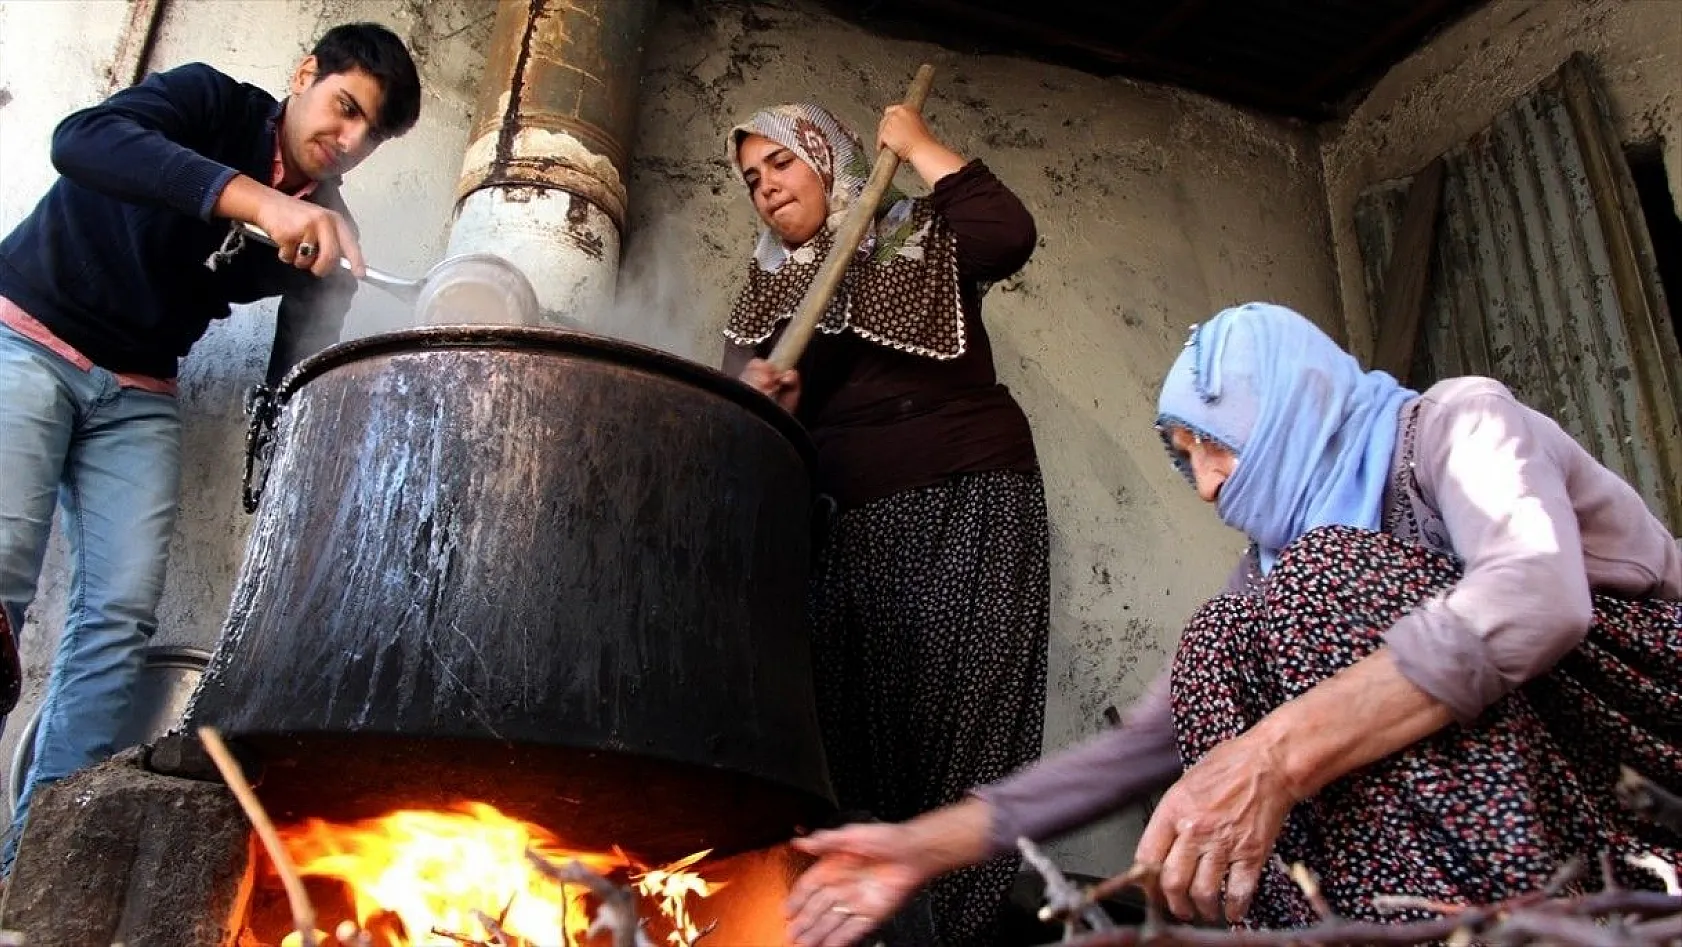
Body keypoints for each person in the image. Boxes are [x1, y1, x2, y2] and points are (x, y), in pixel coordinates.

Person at [784, 301, 1682, 946]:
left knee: (1322, 582)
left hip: (1640, 734)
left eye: (1214, 442)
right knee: (1219, 644)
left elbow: (1537, 591)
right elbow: (1138, 747)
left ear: (1285, 399)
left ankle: (1511, 909)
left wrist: (1273, 759)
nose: (1209, 486)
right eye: (1187, 461)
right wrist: (918, 846)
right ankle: (1398, 921)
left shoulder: (1455, 424)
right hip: (1510, 792)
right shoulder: (1269, 574)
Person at [0, 22, 422, 874]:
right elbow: (79, 141)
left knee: (119, 617)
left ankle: (35, 866)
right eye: (344, 108)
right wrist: (259, 202)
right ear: (304, 74)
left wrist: (302, 472)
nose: (347, 141)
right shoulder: (207, 101)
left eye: (369, 134)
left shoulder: (325, 230)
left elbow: (298, 374)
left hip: (139, 388)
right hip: (27, 337)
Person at [721, 102, 1049, 945]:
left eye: (782, 163)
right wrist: (766, 407)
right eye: (752, 178)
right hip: (845, 535)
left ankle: (957, 930)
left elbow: (1009, 234)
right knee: (851, 748)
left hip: (965, 498)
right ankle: (878, 928)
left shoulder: (912, 233)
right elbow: (741, 439)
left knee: (960, 723)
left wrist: (920, 146)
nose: (766, 187)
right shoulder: (765, 291)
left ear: (828, 159)